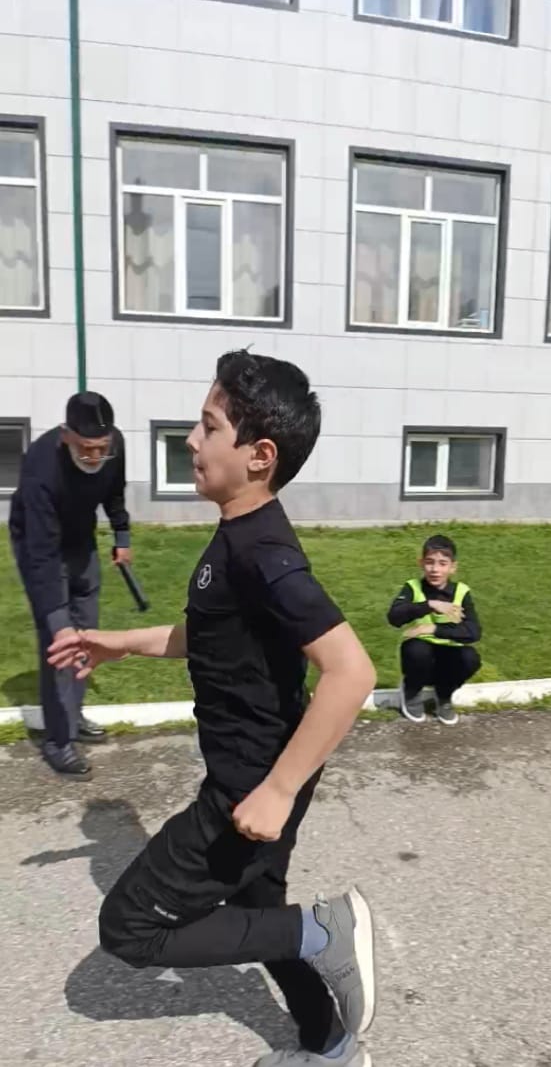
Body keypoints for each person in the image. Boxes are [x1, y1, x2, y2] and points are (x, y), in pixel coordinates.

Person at [48, 351, 377, 1067]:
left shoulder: (264, 553)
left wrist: (277, 790)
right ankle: (328, 1045)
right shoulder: (238, 537)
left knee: (130, 928)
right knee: (258, 912)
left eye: (209, 426)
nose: (192, 440)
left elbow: (351, 672)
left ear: (260, 456)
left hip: (248, 785)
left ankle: (323, 932)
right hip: (257, 776)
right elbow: (210, 632)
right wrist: (119, 644)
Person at [9, 391, 131, 777]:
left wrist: (122, 535)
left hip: (81, 539)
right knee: (60, 642)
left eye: (101, 449)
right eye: (86, 449)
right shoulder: (40, 467)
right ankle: (58, 741)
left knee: (87, 635)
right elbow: (41, 555)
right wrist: (58, 621)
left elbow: (114, 492)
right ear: (66, 436)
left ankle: (72, 716)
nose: (95, 458)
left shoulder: (115, 445)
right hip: (40, 544)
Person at [387, 534, 481, 726]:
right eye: (429, 562)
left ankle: (444, 695)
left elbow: (474, 632)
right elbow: (394, 617)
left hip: (448, 654)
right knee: (418, 650)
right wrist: (429, 605)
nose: (435, 569)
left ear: (453, 567)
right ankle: (411, 691)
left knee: (470, 658)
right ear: (421, 563)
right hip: (418, 654)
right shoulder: (412, 587)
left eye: (442, 564)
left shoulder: (461, 592)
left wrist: (433, 628)